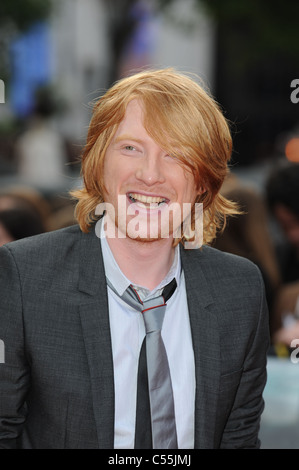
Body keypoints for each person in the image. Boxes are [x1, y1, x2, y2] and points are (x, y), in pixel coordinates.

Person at [0, 68, 269, 449]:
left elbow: (239, 440)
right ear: (97, 161)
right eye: (131, 148)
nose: (150, 174)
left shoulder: (239, 290)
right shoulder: (24, 278)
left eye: (176, 154)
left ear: (203, 183)